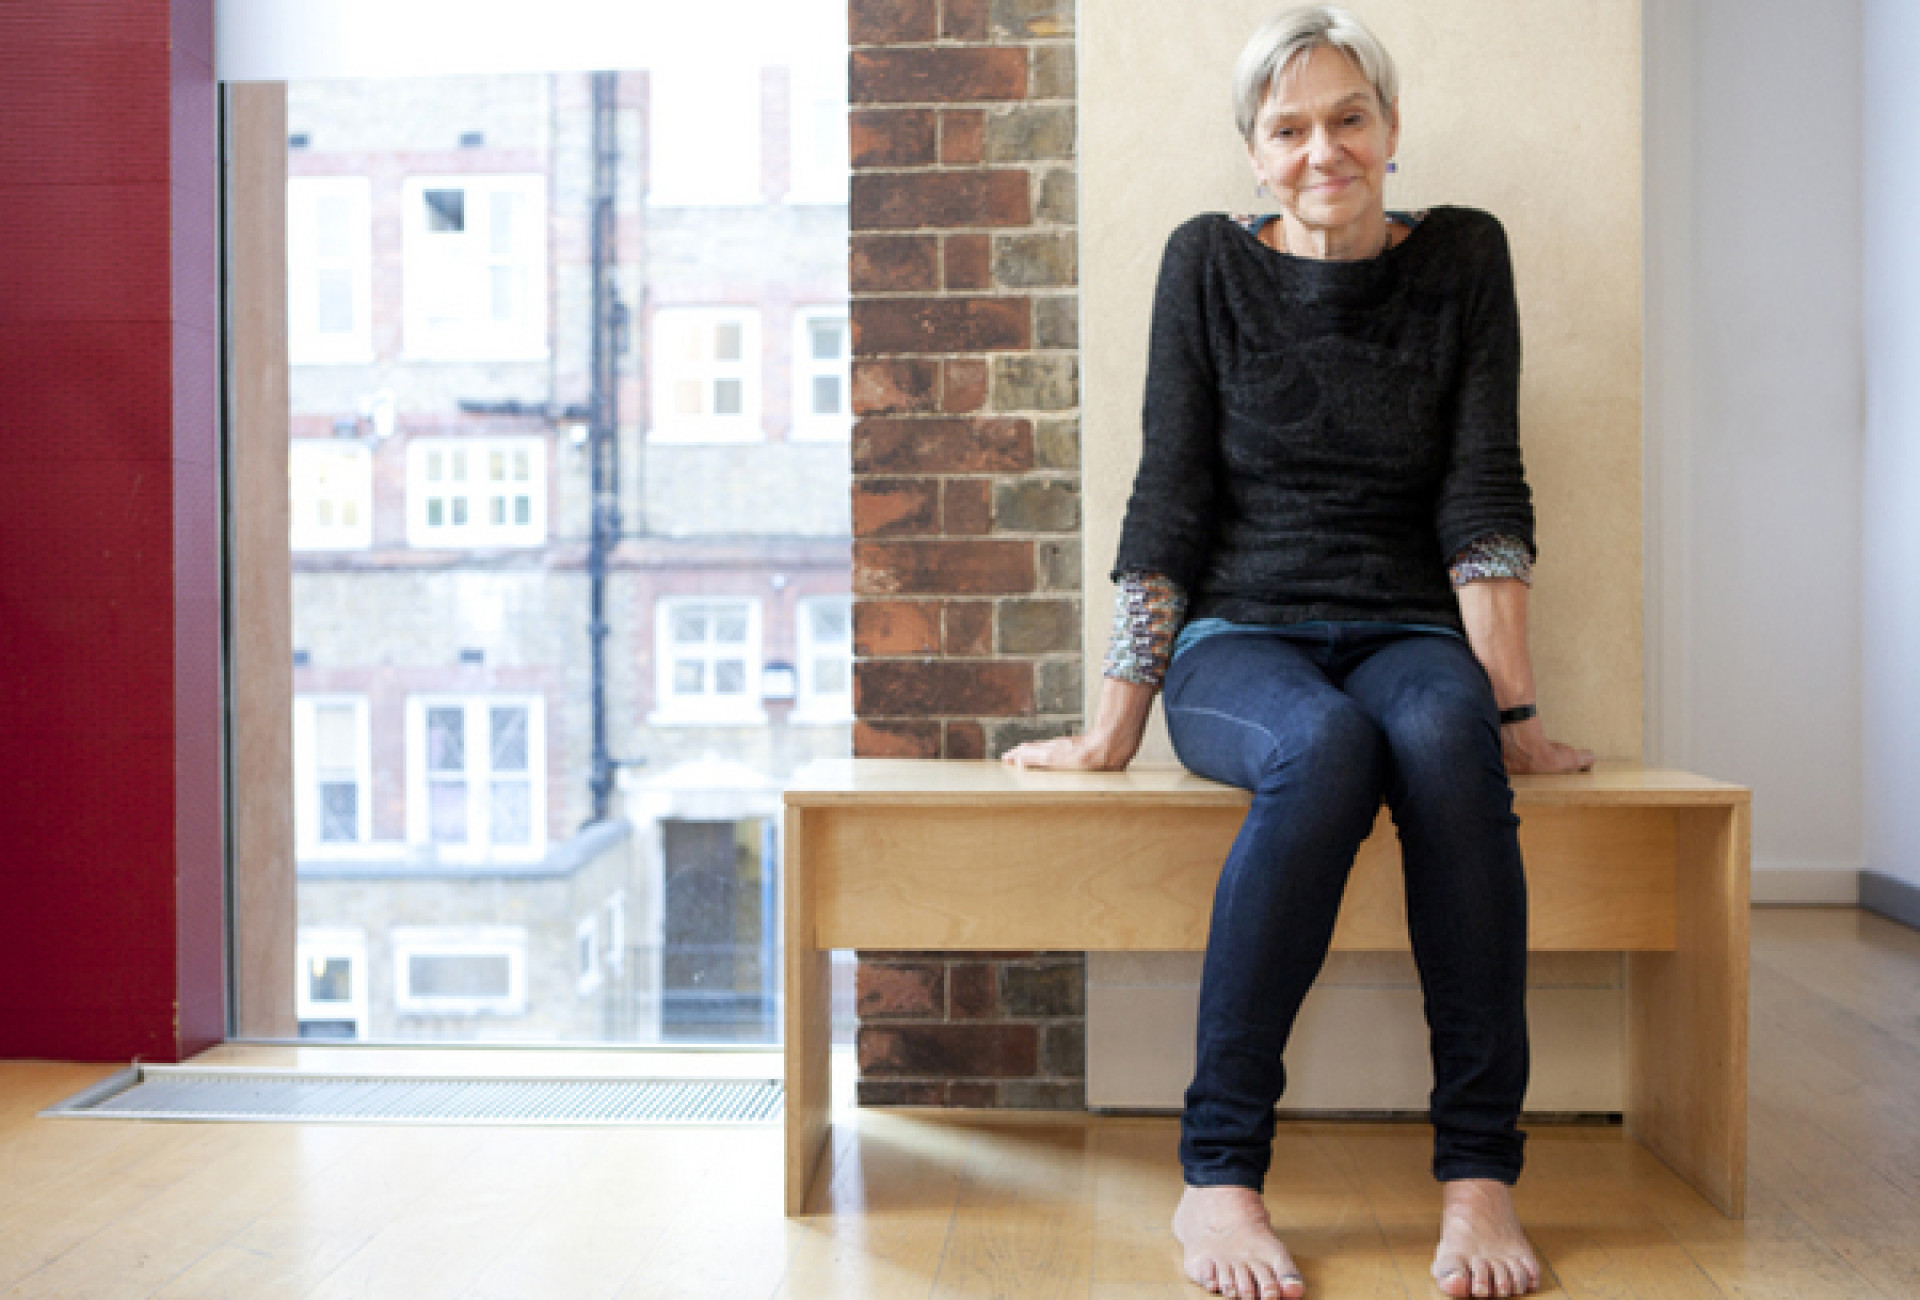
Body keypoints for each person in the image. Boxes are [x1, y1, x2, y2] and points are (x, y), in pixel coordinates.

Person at [1003, 7, 1594, 1299]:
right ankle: (1218, 1176)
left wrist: (1515, 713)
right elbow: (1169, 501)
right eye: (1289, 130)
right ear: (1254, 152)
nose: (1323, 151)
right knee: (1322, 750)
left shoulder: (1464, 256)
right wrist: (1112, 729)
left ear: (1391, 128)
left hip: (1408, 632)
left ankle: (1479, 1178)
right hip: (1241, 642)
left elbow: (1483, 492)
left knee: (1442, 738)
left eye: (1348, 118)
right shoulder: (1207, 264)